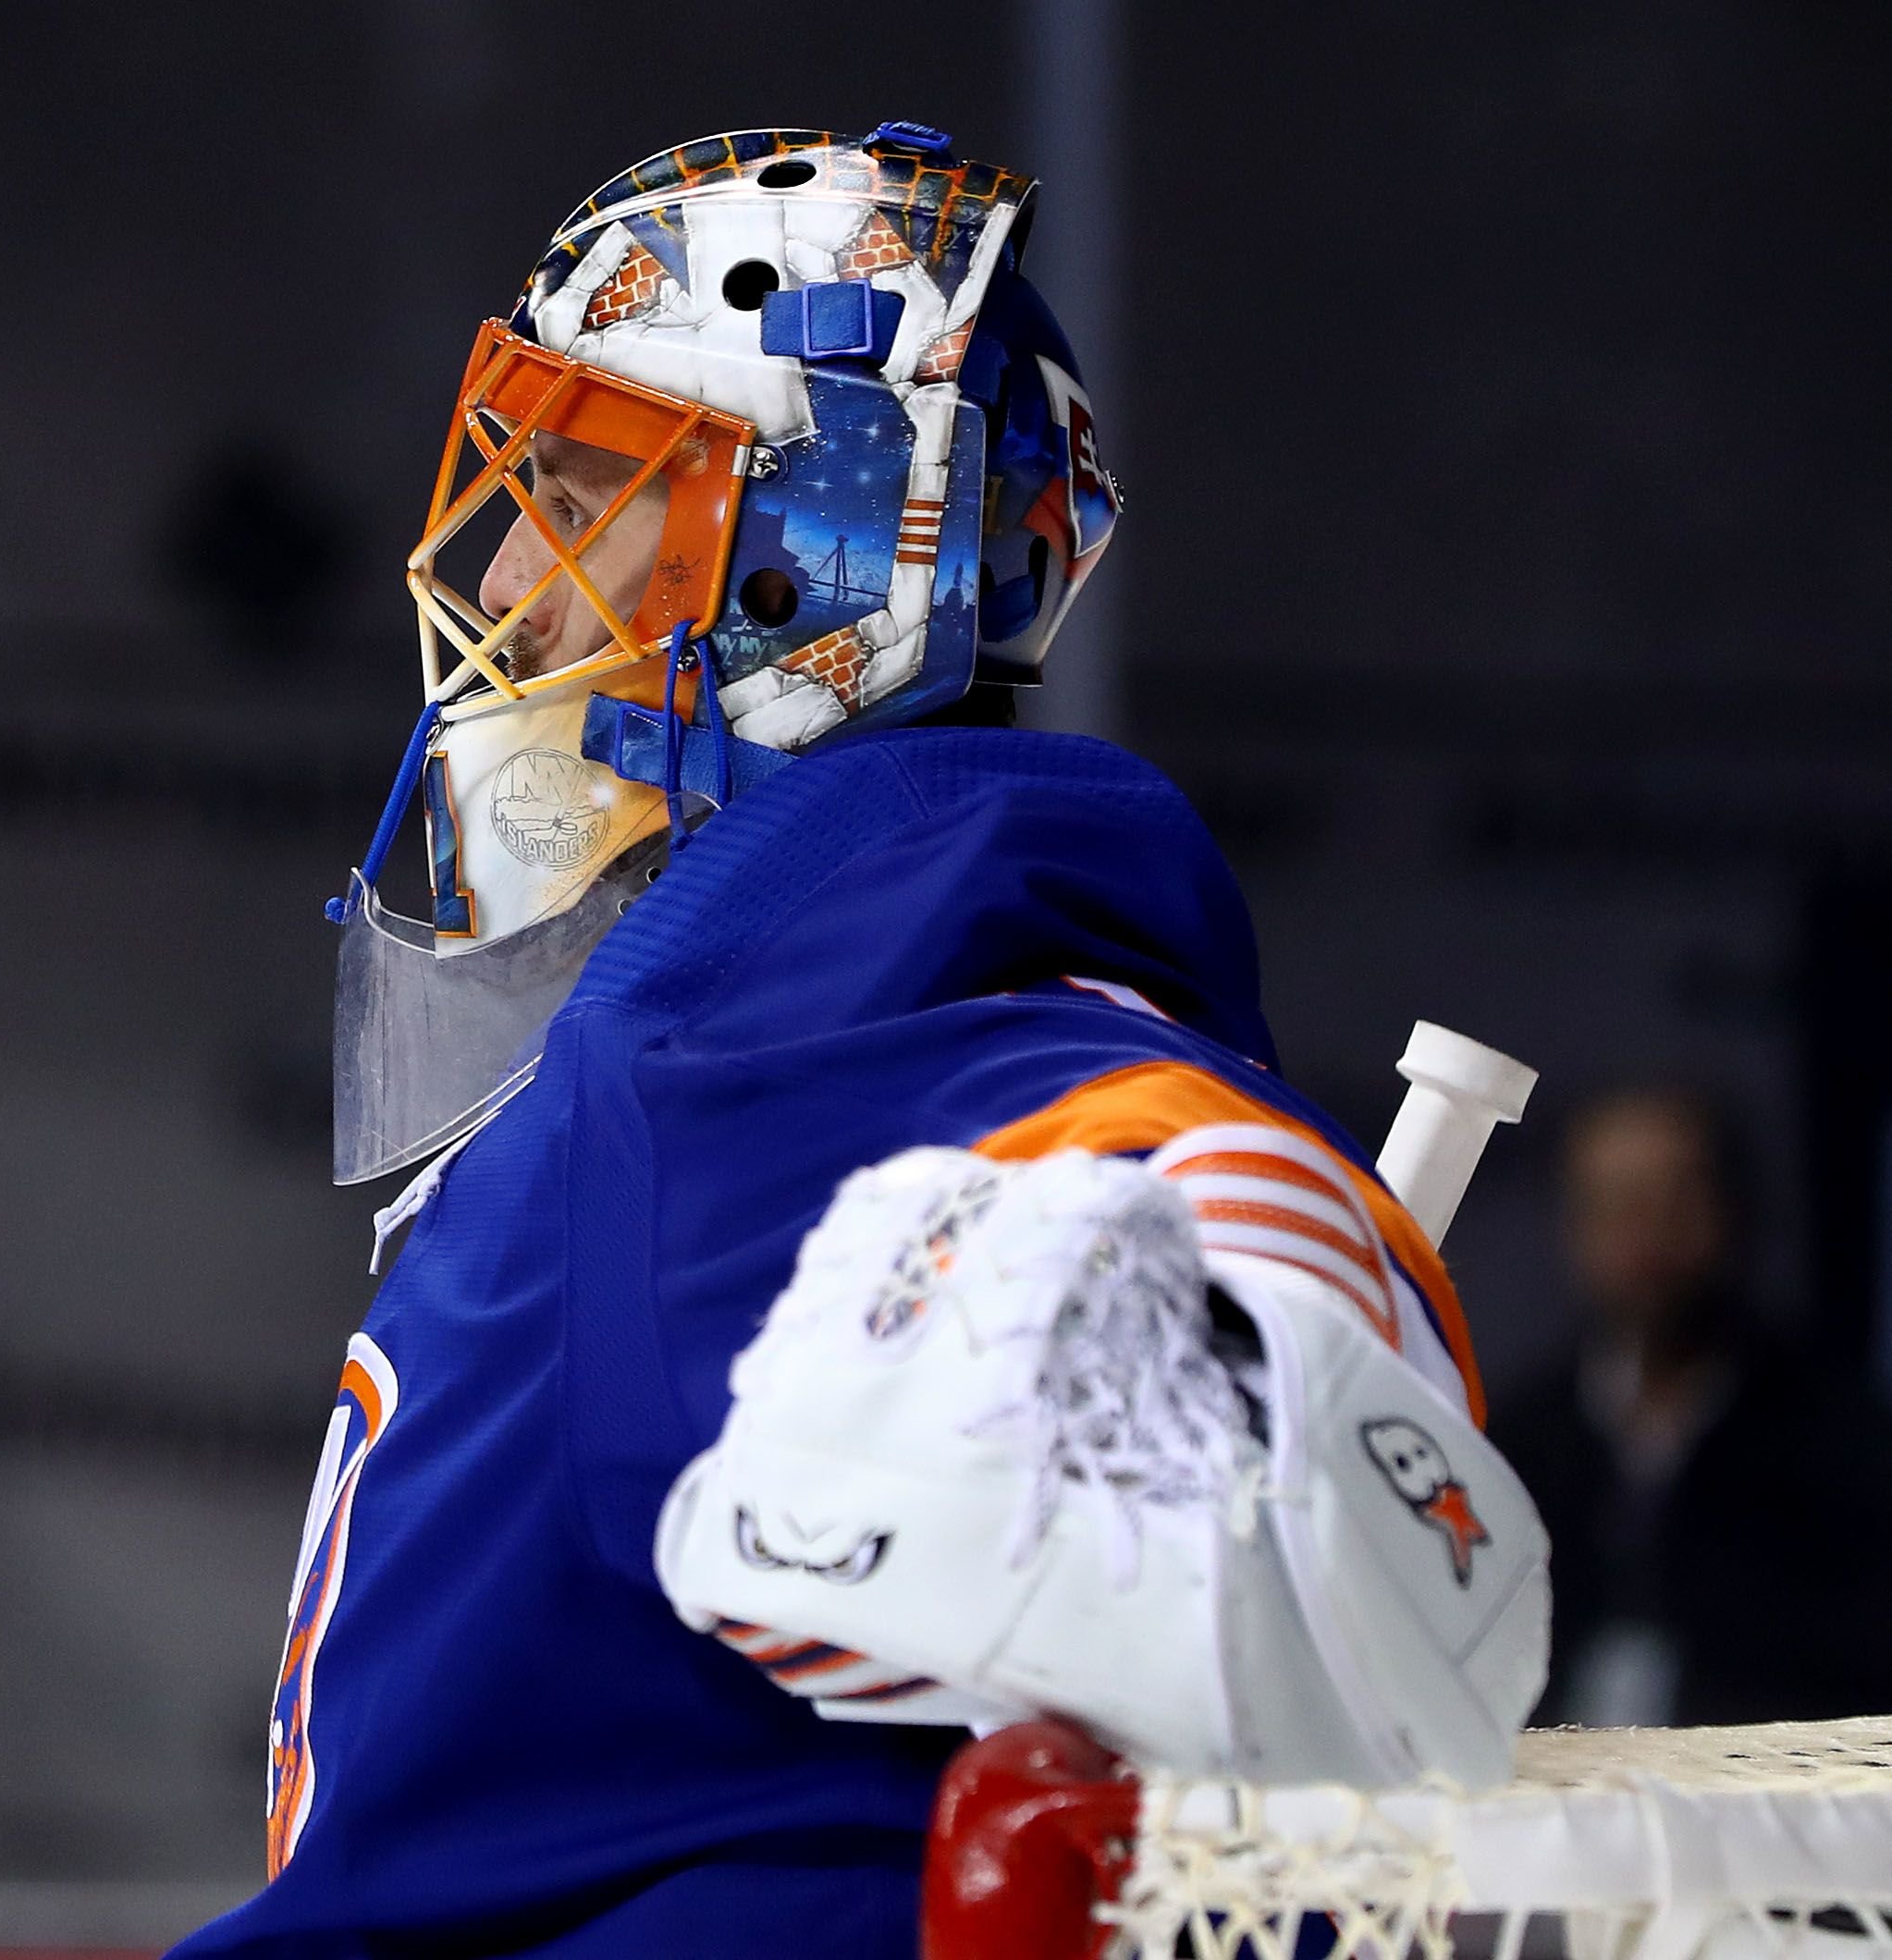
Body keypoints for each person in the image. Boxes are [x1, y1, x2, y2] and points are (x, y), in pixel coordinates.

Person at [176, 127, 1550, 1960]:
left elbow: (1205, 1208)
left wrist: (1259, 1298)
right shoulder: (752, 1024)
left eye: (580, 486)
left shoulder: (771, 1056)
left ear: (806, 554)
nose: (501, 576)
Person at [1502, 1087, 1892, 1728]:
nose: (1646, 1234)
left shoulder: (1840, 1440)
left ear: (1732, 1210)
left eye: (1674, 1198)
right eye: (1615, 1205)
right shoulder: (1520, 1438)